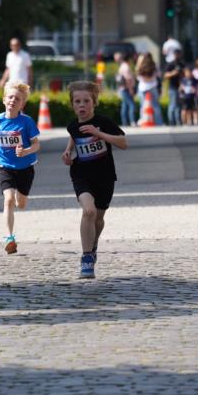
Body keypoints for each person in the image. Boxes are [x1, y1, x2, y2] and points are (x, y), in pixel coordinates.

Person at [62, 81, 127, 279]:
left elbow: (123, 142)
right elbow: (74, 137)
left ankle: (93, 245)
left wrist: (99, 133)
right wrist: (67, 152)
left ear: (94, 102)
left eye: (86, 101)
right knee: (88, 211)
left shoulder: (104, 121)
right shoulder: (72, 125)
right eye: (77, 102)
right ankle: (87, 257)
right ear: (72, 104)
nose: (82, 105)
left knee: (98, 218)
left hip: (105, 176)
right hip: (81, 175)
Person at [0, 82, 40, 254]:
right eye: (10, 97)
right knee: (8, 200)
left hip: (25, 167)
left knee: (20, 204)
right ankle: (9, 238)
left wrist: (26, 151)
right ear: (4, 100)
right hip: (5, 166)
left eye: (17, 99)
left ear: (22, 104)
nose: (13, 100)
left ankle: (18, 198)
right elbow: (0, 137)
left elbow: (37, 144)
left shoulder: (27, 122)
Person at [135, 52, 163, 125]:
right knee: (156, 106)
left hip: (143, 87)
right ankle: (159, 122)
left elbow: (138, 77)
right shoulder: (154, 65)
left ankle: (143, 121)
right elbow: (159, 75)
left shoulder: (140, 65)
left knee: (143, 106)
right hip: (152, 86)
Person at [114, 51, 136, 127]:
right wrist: (131, 89)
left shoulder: (122, 66)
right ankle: (132, 121)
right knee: (131, 105)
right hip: (126, 88)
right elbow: (128, 79)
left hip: (123, 88)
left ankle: (124, 122)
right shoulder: (126, 66)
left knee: (125, 105)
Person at [162, 51, 183, 127]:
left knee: (178, 106)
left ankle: (178, 122)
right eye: (176, 54)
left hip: (180, 88)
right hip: (172, 87)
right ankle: (171, 122)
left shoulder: (181, 64)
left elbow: (184, 74)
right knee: (173, 105)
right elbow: (165, 75)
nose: (177, 56)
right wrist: (173, 73)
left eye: (178, 54)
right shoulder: (170, 64)